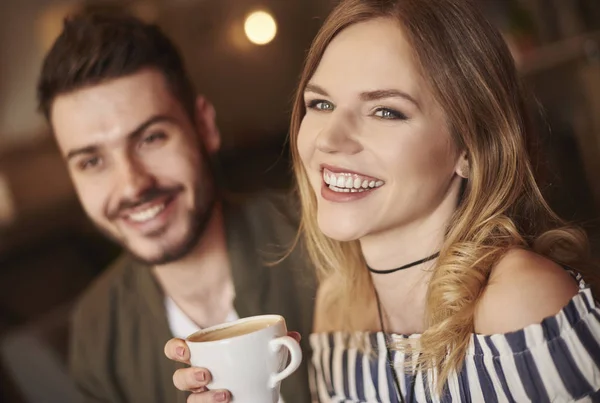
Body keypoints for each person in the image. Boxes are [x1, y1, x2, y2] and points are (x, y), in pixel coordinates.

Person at [165, 0, 600, 401]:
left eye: (386, 111)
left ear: (470, 148)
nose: (330, 140)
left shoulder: (521, 303)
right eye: (320, 104)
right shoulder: (338, 309)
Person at [36, 10, 316, 403]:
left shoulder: (323, 239)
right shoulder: (97, 330)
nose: (132, 185)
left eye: (151, 138)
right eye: (92, 161)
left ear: (204, 126)